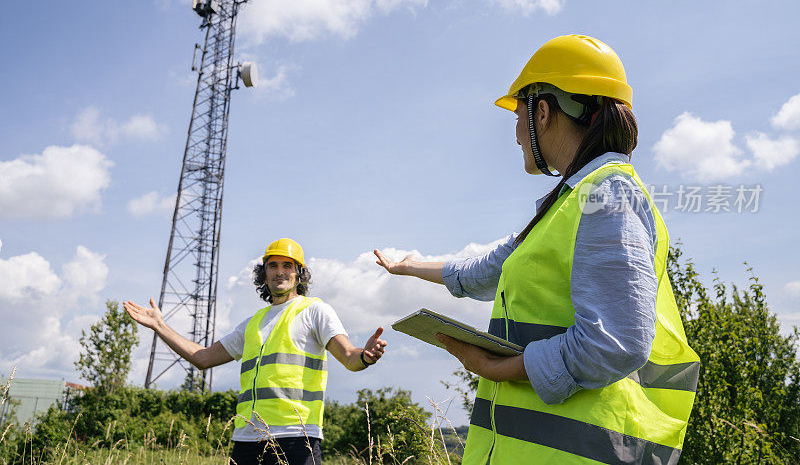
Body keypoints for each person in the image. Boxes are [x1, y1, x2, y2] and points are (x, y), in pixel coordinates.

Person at [375, 35, 699, 464]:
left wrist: (498, 368)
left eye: (517, 116)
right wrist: (412, 266)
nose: (514, 136)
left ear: (542, 112)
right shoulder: (568, 202)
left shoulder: (606, 194)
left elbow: (617, 343)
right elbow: (485, 270)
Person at [124, 237, 387, 465]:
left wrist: (366, 356)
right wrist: (160, 326)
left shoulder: (315, 311)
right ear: (264, 274)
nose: (279, 271)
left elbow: (349, 357)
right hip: (247, 439)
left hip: (297, 437)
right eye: (273, 265)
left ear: (299, 273)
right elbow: (202, 358)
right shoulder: (252, 324)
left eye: (288, 265)